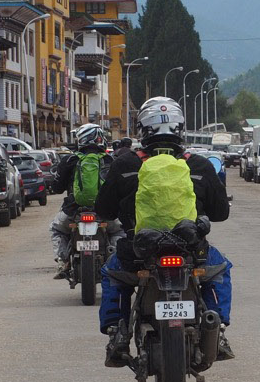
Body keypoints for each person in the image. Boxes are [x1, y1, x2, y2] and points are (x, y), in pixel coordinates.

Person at [96, 96, 233, 367]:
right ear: (180, 127)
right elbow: (221, 214)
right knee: (220, 270)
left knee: (111, 274)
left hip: (138, 252)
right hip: (192, 250)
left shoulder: (124, 164)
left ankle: (117, 332)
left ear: (142, 128)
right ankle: (217, 330)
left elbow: (104, 211)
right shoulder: (200, 165)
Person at [49, 123, 110, 277]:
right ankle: (114, 263)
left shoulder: (70, 160)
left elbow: (56, 188)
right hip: (104, 209)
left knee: (57, 229)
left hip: (74, 209)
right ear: (99, 138)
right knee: (119, 231)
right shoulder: (109, 159)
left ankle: (63, 261)